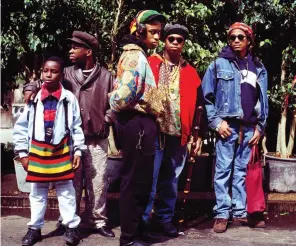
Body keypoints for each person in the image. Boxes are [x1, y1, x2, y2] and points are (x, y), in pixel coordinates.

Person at [23, 31, 115, 237]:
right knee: (70, 182)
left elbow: (115, 103)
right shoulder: (66, 73)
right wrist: (29, 88)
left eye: (75, 47)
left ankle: (97, 221)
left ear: (88, 51)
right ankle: (67, 221)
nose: (70, 51)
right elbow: (40, 82)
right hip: (70, 141)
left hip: (96, 139)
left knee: (98, 181)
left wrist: (106, 119)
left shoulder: (107, 76)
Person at [202, 22, 268, 233]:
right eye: (232, 38)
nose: (236, 41)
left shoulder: (258, 67)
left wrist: (261, 127)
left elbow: (264, 100)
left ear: (249, 40)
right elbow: (206, 97)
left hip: (250, 128)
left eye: (241, 37)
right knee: (223, 170)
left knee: (242, 170)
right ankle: (222, 213)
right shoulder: (218, 64)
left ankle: (240, 211)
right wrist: (216, 122)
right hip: (227, 126)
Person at [142, 23, 207, 237]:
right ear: (165, 41)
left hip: (179, 134)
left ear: (184, 44)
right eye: (172, 39)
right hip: (154, 131)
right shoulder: (150, 64)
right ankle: (142, 221)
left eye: (180, 40)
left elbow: (200, 105)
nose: (176, 43)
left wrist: (199, 136)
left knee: (171, 179)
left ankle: (164, 219)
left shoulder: (189, 71)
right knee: (149, 179)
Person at [13, 57, 85, 245]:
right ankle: (34, 228)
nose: (48, 74)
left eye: (53, 71)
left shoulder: (69, 99)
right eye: (45, 70)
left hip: (61, 150)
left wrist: (78, 151)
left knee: (66, 190)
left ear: (61, 75)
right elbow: (21, 127)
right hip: (37, 151)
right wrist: (22, 153)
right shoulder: (33, 98)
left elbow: (76, 126)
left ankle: (71, 227)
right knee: (37, 191)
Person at [109, 10, 166, 246]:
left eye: (159, 32)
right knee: (134, 181)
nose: (157, 37)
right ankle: (129, 237)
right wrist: (113, 100)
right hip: (136, 124)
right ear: (139, 30)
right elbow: (122, 98)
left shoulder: (140, 55)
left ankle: (139, 231)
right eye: (152, 32)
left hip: (140, 125)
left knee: (141, 181)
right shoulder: (135, 57)